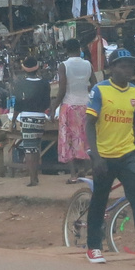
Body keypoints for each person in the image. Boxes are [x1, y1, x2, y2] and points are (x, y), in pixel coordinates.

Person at [84, 54, 135, 266]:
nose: (129, 69)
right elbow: (89, 123)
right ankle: (93, 247)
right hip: (104, 155)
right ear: (112, 68)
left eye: (131, 66)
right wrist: (96, 155)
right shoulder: (100, 90)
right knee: (99, 201)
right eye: (123, 66)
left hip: (127, 154)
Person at [51, 39, 94, 181]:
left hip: (69, 106)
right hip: (86, 105)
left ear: (66, 50)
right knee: (85, 137)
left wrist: (54, 107)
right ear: (79, 48)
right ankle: (86, 169)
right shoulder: (88, 64)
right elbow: (95, 84)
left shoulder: (63, 66)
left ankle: (73, 175)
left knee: (68, 139)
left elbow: (62, 89)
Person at [13, 55, 52, 187]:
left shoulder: (20, 83)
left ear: (24, 69)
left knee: (29, 149)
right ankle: (35, 176)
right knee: (36, 147)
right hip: (40, 117)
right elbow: (47, 103)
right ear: (37, 68)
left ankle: (32, 178)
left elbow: (17, 104)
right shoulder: (44, 83)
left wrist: (13, 120)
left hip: (26, 117)